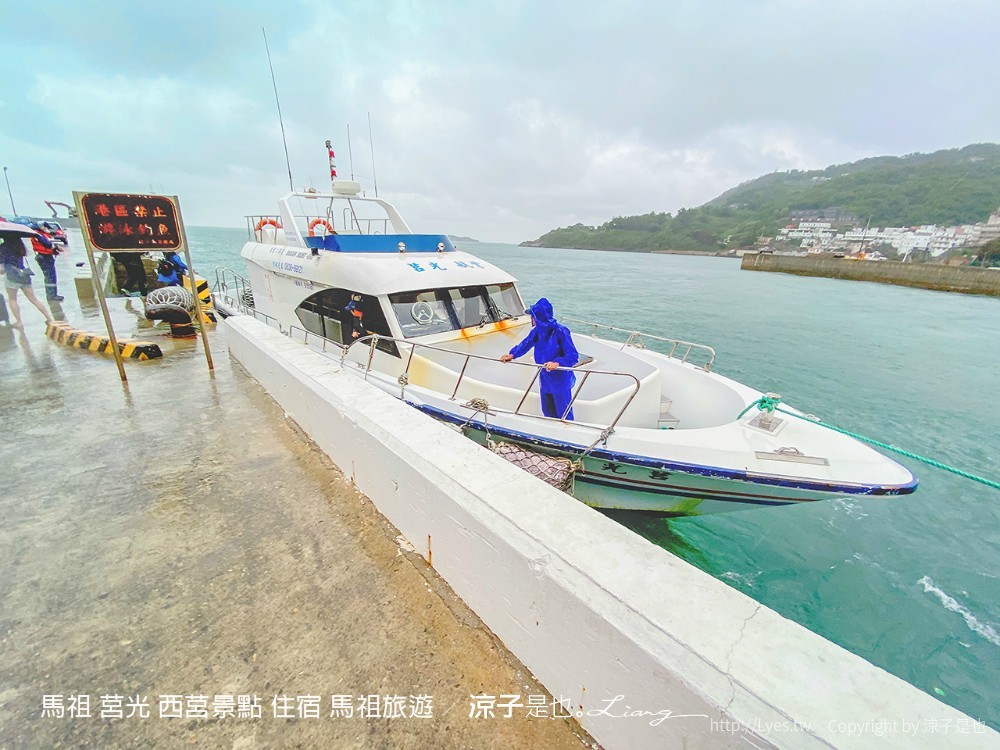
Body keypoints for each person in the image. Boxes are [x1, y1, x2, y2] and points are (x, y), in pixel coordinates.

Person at [500, 297, 579, 420]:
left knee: (563, 412)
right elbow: (526, 344)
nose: (530, 319)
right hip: (545, 376)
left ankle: (568, 429)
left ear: (536, 318)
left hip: (560, 379)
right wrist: (512, 354)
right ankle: (549, 428)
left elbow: (573, 356)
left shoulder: (561, 332)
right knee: (547, 409)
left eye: (531, 316)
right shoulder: (537, 331)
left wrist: (557, 363)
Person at [0, 234, 53, 328]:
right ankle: (49, 318)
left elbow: (1, 270)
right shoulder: (20, 246)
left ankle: (19, 322)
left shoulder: (2, 248)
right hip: (24, 274)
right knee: (34, 299)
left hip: (11, 276)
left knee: (12, 299)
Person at [30, 225, 63, 301]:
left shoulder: (41, 235)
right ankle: (51, 295)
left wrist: (54, 249)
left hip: (46, 256)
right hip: (44, 257)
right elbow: (47, 244)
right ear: (40, 227)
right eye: (45, 227)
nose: (46, 229)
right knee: (50, 277)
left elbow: (48, 245)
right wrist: (54, 247)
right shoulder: (38, 235)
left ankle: (52, 294)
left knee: (51, 276)